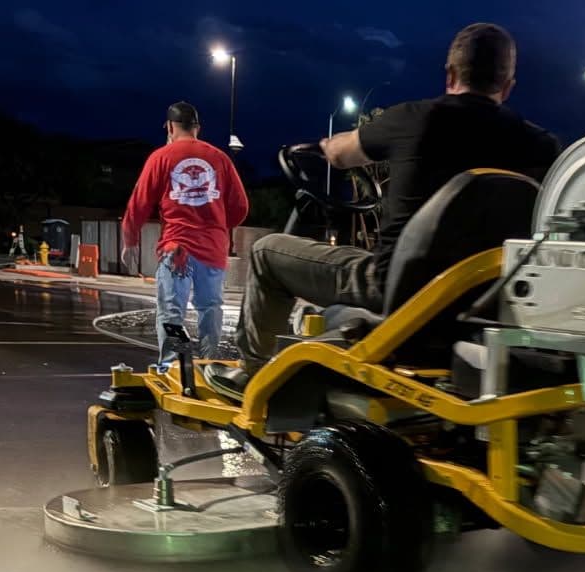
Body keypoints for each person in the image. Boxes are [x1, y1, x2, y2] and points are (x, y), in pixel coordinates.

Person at [233, 22, 560, 377]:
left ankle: (251, 374)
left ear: (450, 75)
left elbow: (340, 153)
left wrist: (323, 148)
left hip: (395, 290)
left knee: (266, 252)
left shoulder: (414, 119)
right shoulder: (541, 146)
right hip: (486, 303)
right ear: (508, 86)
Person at [121, 101, 248, 365]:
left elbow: (139, 203)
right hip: (212, 250)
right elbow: (241, 207)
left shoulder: (161, 158)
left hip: (177, 249)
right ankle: (209, 365)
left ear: (169, 127)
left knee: (171, 311)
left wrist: (130, 239)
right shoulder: (220, 158)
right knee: (210, 308)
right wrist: (218, 227)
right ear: (197, 128)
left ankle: (174, 367)